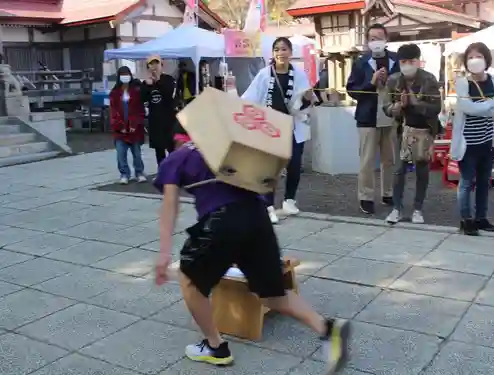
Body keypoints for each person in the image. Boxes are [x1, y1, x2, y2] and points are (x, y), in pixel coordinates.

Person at [153, 134, 351, 373]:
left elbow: (170, 204)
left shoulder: (177, 157)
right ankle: (327, 328)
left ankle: (215, 347)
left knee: (189, 279)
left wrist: (164, 252)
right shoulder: (225, 147)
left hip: (222, 220)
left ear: (176, 140)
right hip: (257, 216)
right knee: (271, 293)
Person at [242, 37, 314, 224]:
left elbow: (306, 102)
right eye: (277, 49)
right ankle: (268, 206)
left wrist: (307, 98)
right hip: (270, 127)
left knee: (295, 164)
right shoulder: (265, 74)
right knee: (270, 167)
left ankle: (290, 200)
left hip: (292, 125)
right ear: (272, 53)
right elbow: (250, 98)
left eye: (284, 49)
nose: (280, 53)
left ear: (290, 52)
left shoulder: (299, 75)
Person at [383, 44, 441, 224]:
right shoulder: (393, 80)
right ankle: (397, 208)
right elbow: (385, 107)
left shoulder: (429, 79)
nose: (407, 64)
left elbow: (436, 108)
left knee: (422, 169)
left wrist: (416, 103)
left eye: (411, 61)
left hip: (424, 129)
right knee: (399, 170)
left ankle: (418, 208)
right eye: (403, 61)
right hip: (402, 129)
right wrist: (398, 107)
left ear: (418, 60)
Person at [346, 23, 400, 215]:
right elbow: (351, 89)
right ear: (368, 41)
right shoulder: (361, 62)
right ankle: (366, 196)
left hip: (391, 114)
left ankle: (388, 192)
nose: (376, 41)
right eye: (372, 38)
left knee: (389, 158)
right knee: (367, 159)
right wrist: (371, 82)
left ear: (387, 39)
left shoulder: (396, 59)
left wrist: (389, 81)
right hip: (367, 116)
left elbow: (403, 86)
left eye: (379, 37)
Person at [451, 42, 494, 235]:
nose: (474, 60)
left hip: (488, 141)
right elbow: (467, 108)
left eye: (478, 56)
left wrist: (487, 106)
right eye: (470, 57)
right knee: (466, 183)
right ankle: (466, 219)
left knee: (484, 182)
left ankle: (481, 218)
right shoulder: (463, 83)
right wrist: (490, 104)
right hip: (468, 143)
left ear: (486, 59)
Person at [110, 66, 146, 184]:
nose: (125, 76)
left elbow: (140, 111)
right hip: (120, 131)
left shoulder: (136, 92)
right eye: (122, 74)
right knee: (121, 154)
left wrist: (134, 124)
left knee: (137, 153)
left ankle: (139, 172)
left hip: (134, 130)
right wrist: (120, 126)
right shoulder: (114, 93)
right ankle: (124, 174)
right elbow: (113, 112)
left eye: (127, 74)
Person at [142, 55, 178, 165]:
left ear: (161, 65)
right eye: (151, 64)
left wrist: (157, 81)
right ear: (148, 67)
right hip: (155, 122)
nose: (154, 67)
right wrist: (147, 86)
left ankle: (174, 173)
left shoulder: (168, 79)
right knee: (159, 151)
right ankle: (162, 174)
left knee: (172, 150)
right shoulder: (146, 83)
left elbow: (168, 93)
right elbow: (142, 98)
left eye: (156, 63)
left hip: (169, 121)